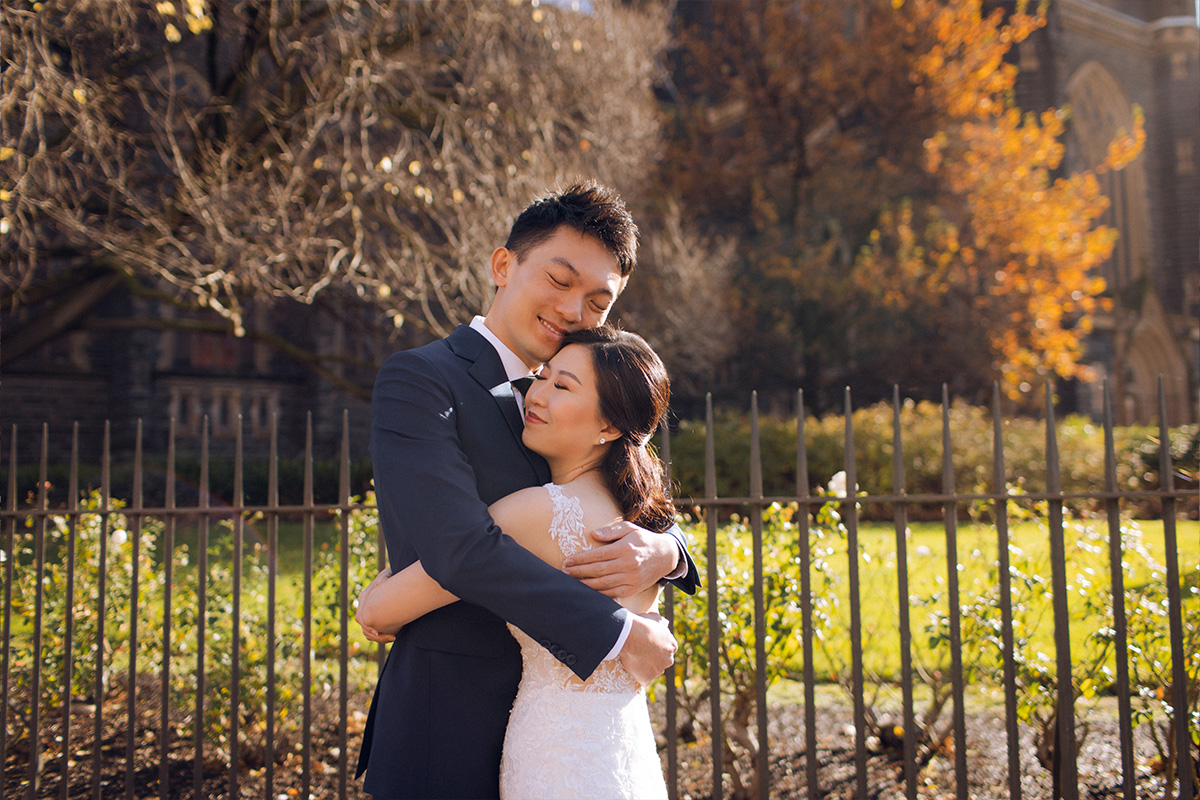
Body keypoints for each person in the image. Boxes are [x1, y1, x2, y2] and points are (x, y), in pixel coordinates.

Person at [355, 181, 698, 799]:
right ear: (503, 265)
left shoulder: (587, 388)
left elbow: (628, 489)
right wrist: (619, 629)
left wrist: (666, 549)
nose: (574, 311)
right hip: (450, 722)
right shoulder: (422, 380)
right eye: (559, 281)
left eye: (598, 300)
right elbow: (462, 548)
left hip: (567, 737)